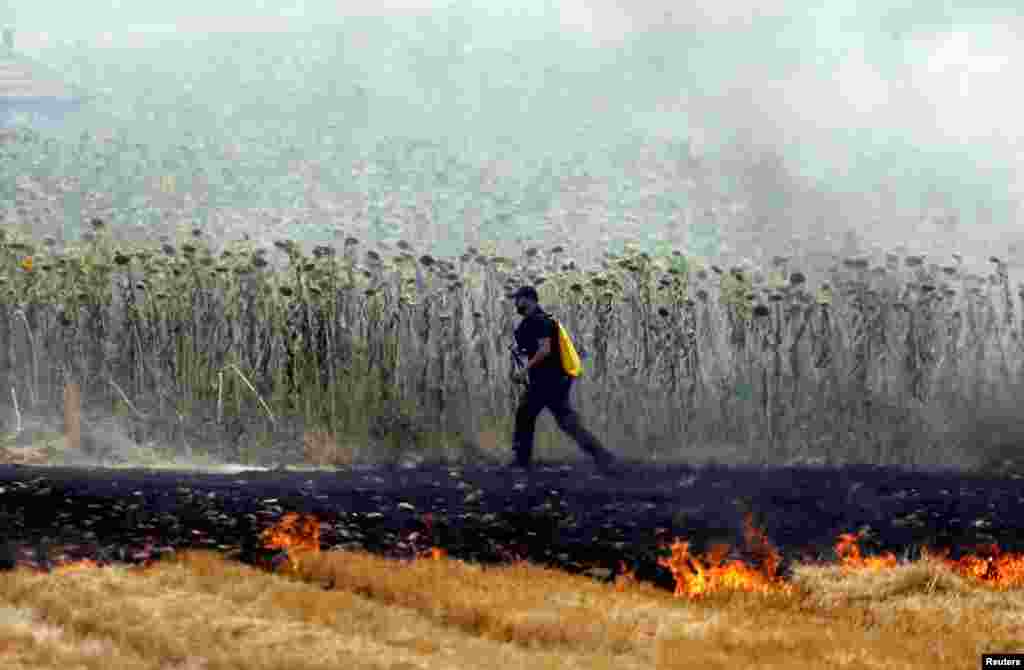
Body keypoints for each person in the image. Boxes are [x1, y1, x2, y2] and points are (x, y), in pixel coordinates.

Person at [508, 286, 618, 473]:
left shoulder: (539, 321)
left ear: (529, 299)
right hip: (555, 380)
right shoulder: (538, 321)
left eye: (518, 299)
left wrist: (524, 370)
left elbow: (545, 349)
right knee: (566, 421)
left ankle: (521, 461)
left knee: (525, 413)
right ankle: (602, 455)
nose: (516, 303)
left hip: (547, 380)